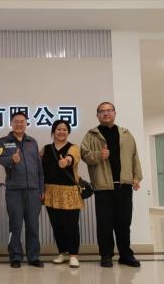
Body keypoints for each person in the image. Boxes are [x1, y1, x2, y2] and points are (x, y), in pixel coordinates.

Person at [81, 102, 143, 268]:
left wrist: (136, 177)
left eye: (109, 110)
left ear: (115, 113)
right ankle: (106, 255)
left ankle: (126, 255)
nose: (106, 113)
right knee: (104, 224)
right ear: (97, 115)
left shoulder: (126, 134)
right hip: (103, 187)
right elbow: (84, 155)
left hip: (124, 186)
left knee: (124, 222)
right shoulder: (91, 135)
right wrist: (98, 155)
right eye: (102, 111)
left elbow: (134, 157)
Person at [0, 112, 45, 268]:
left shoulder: (32, 142)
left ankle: (33, 256)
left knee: (33, 225)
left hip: (33, 190)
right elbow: (1, 159)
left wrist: (41, 188)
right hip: (14, 190)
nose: (19, 124)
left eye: (22, 121)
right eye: (16, 121)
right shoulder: (4, 141)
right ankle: (15, 256)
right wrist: (12, 159)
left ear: (26, 124)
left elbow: (39, 168)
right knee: (15, 225)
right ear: (11, 123)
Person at [41, 120, 83, 268]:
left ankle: (74, 255)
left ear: (68, 132)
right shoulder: (45, 149)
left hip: (69, 192)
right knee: (57, 225)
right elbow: (39, 169)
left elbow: (73, 157)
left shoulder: (74, 147)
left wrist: (66, 161)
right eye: (59, 129)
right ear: (53, 131)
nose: (61, 132)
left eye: (65, 130)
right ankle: (62, 252)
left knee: (71, 225)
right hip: (51, 191)